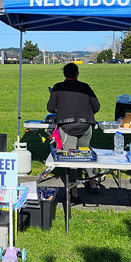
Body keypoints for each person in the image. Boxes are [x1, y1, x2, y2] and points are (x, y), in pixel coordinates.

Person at [47, 63, 100, 203]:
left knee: (70, 159)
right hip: (85, 124)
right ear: (77, 74)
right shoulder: (85, 87)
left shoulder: (58, 87)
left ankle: (74, 192)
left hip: (67, 126)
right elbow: (96, 106)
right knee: (86, 153)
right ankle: (93, 183)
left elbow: (50, 108)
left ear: (64, 74)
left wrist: (60, 109)